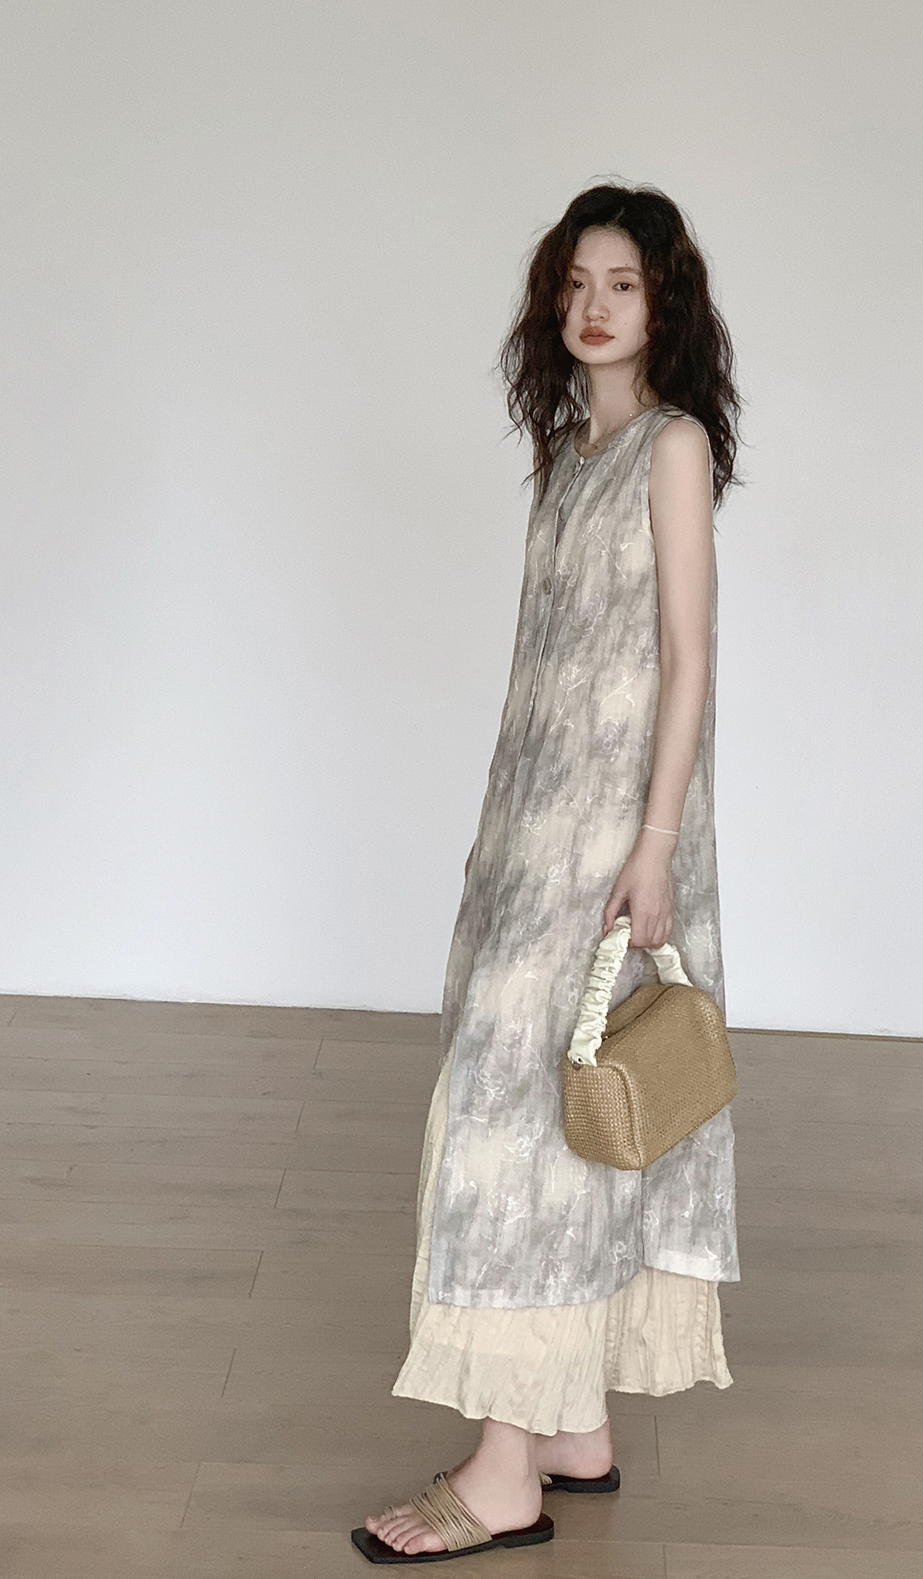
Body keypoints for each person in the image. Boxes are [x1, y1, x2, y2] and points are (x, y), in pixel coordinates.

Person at [355, 183, 742, 1564]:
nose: (593, 305)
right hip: (532, 838)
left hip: (613, 844)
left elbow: (688, 659)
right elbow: (544, 668)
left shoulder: (672, 449)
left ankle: (506, 1470)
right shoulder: (572, 451)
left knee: (513, 1129)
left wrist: (654, 848)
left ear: (664, 302)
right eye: (576, 281)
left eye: (622, 283)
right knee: (550, 1113)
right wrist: (499, 833)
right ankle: (572, 1428)